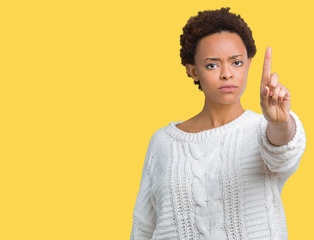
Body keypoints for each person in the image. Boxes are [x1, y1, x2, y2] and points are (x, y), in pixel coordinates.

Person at [130, 7, 306, 240]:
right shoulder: (162, 142)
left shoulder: (265, 129)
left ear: (249, 64)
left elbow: (283, 151)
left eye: (236, 63)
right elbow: (143, 227)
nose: (226, 74)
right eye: (212, 65)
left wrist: (280, 123)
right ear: (193, 71)